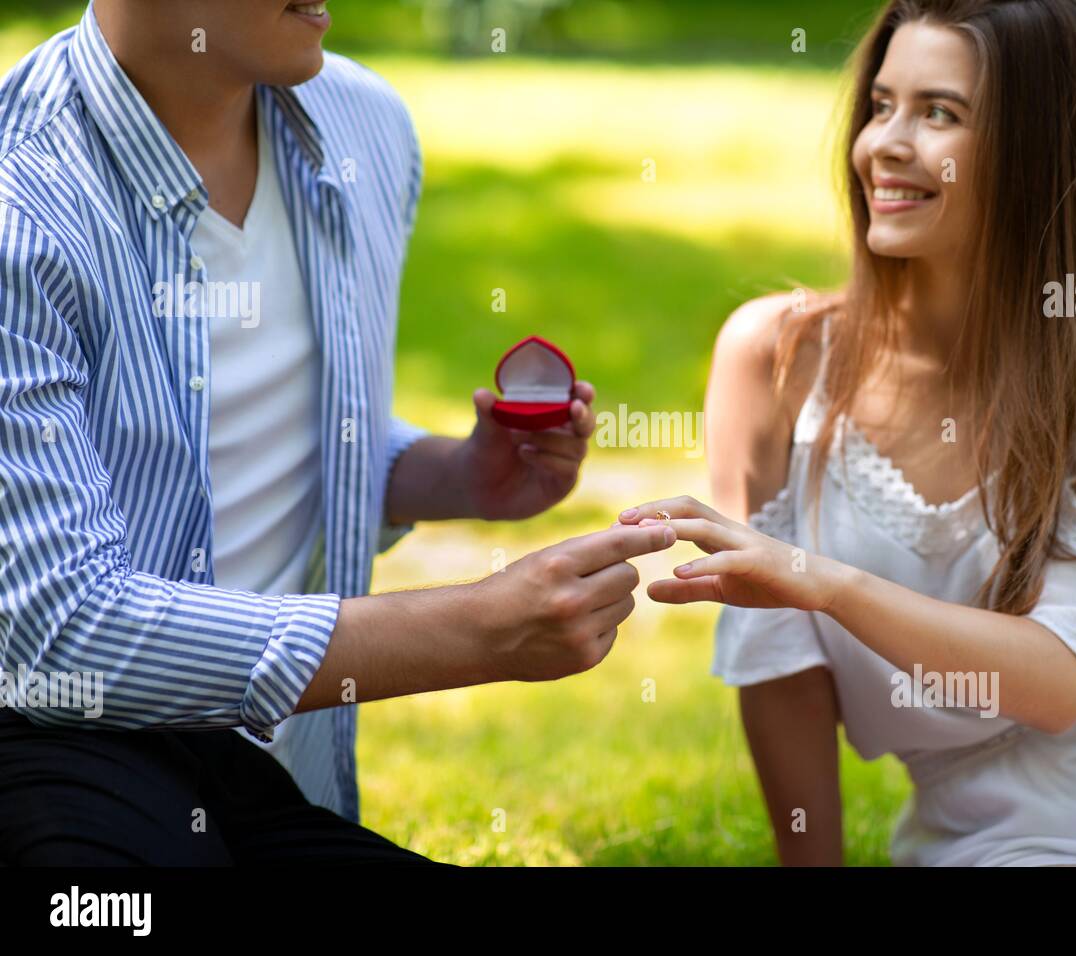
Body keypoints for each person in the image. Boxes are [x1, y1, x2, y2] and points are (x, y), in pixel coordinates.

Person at [618, 0, 1076, 866]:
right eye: (881, 104)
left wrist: (821, 582)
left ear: (1042, 156)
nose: (884, 145)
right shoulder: (778, 357)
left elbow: (1056, 685)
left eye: (939, 112)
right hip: (991, 835)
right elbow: (778, 663)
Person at [0, 0, 674, 865]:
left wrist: (451, 475)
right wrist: (478, 629)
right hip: (54, 743)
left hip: (265, 777)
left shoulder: (367, 128)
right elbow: (56, 628)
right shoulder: (23, 205)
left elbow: (246, 442)